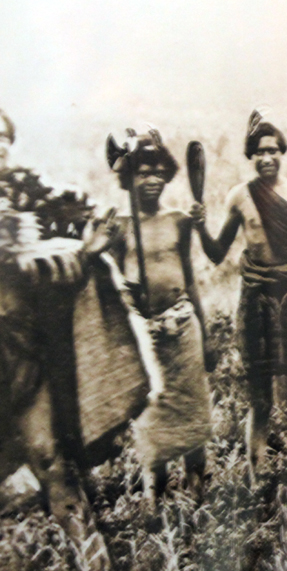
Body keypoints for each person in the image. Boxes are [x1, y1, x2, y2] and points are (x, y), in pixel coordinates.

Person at [191, 112, 287, 471]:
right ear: (250, 156)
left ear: (282, 152)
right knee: (260, 399)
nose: (267, 158)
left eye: (273, 150)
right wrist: (200, 227)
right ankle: (258, 478)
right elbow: (216, 253)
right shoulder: (239, 197)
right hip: (256, 301)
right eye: (259, 152)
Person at [1, 109, 113, 570]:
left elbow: (78, 214)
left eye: (2, 138)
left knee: (53, 462)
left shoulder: (25, 196)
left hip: (23, 358)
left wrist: (84, 244)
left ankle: (94, 561)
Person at [108, 129, 212, 503]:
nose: (152, 180)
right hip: (144, 338)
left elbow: (190, 278)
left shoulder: (179, 221)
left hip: (183, 328)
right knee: (152, 419)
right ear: (128, 178)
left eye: (157, 172)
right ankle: (156, 498)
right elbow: (113, 285)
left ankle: (198, 492)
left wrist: (207, 335)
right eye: (142, 172)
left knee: (192, 413)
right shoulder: (120, 227)